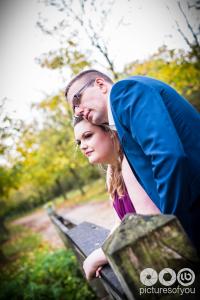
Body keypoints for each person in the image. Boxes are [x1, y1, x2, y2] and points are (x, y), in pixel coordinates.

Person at [65, 69, 200, 254]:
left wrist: (170, 224)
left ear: (100, 85)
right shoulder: (123, 126)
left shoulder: (124, 92)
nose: (78, 111)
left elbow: (169, 157)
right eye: (74, 110)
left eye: (77, 100)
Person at [73, 115, 160, 280]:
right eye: (79, 142)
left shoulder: (132, 162)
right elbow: (119, 223)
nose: (83, 146)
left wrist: (99, 257)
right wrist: (107, 251)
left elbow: (149, 223)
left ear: (110, 132)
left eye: (88, 136)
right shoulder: (112, 173)